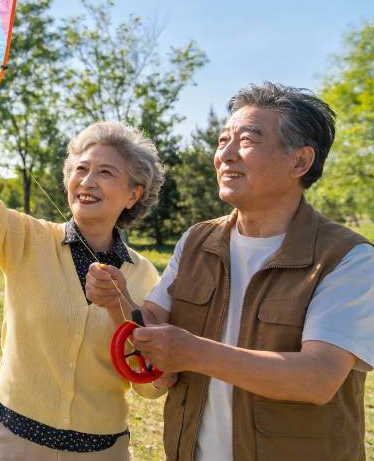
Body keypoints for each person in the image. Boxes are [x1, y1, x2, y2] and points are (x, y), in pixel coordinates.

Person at [86, 82, 373, 461]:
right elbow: (153, 320)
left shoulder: (348, 258)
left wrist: (193, 353)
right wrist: (118, 300)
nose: (226, 154)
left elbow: (318, 377)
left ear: (300, 161)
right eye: (223, 140)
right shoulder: (197, 240)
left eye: (248, 140)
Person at [0, 67, 171, 460]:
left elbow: (150, 385)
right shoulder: (27, 239)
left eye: (106, 172)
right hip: (16, 445)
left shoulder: (143, 274)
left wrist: (120, 305)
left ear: (133, 194)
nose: (88, 181)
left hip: (102, 451)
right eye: (81, 169)